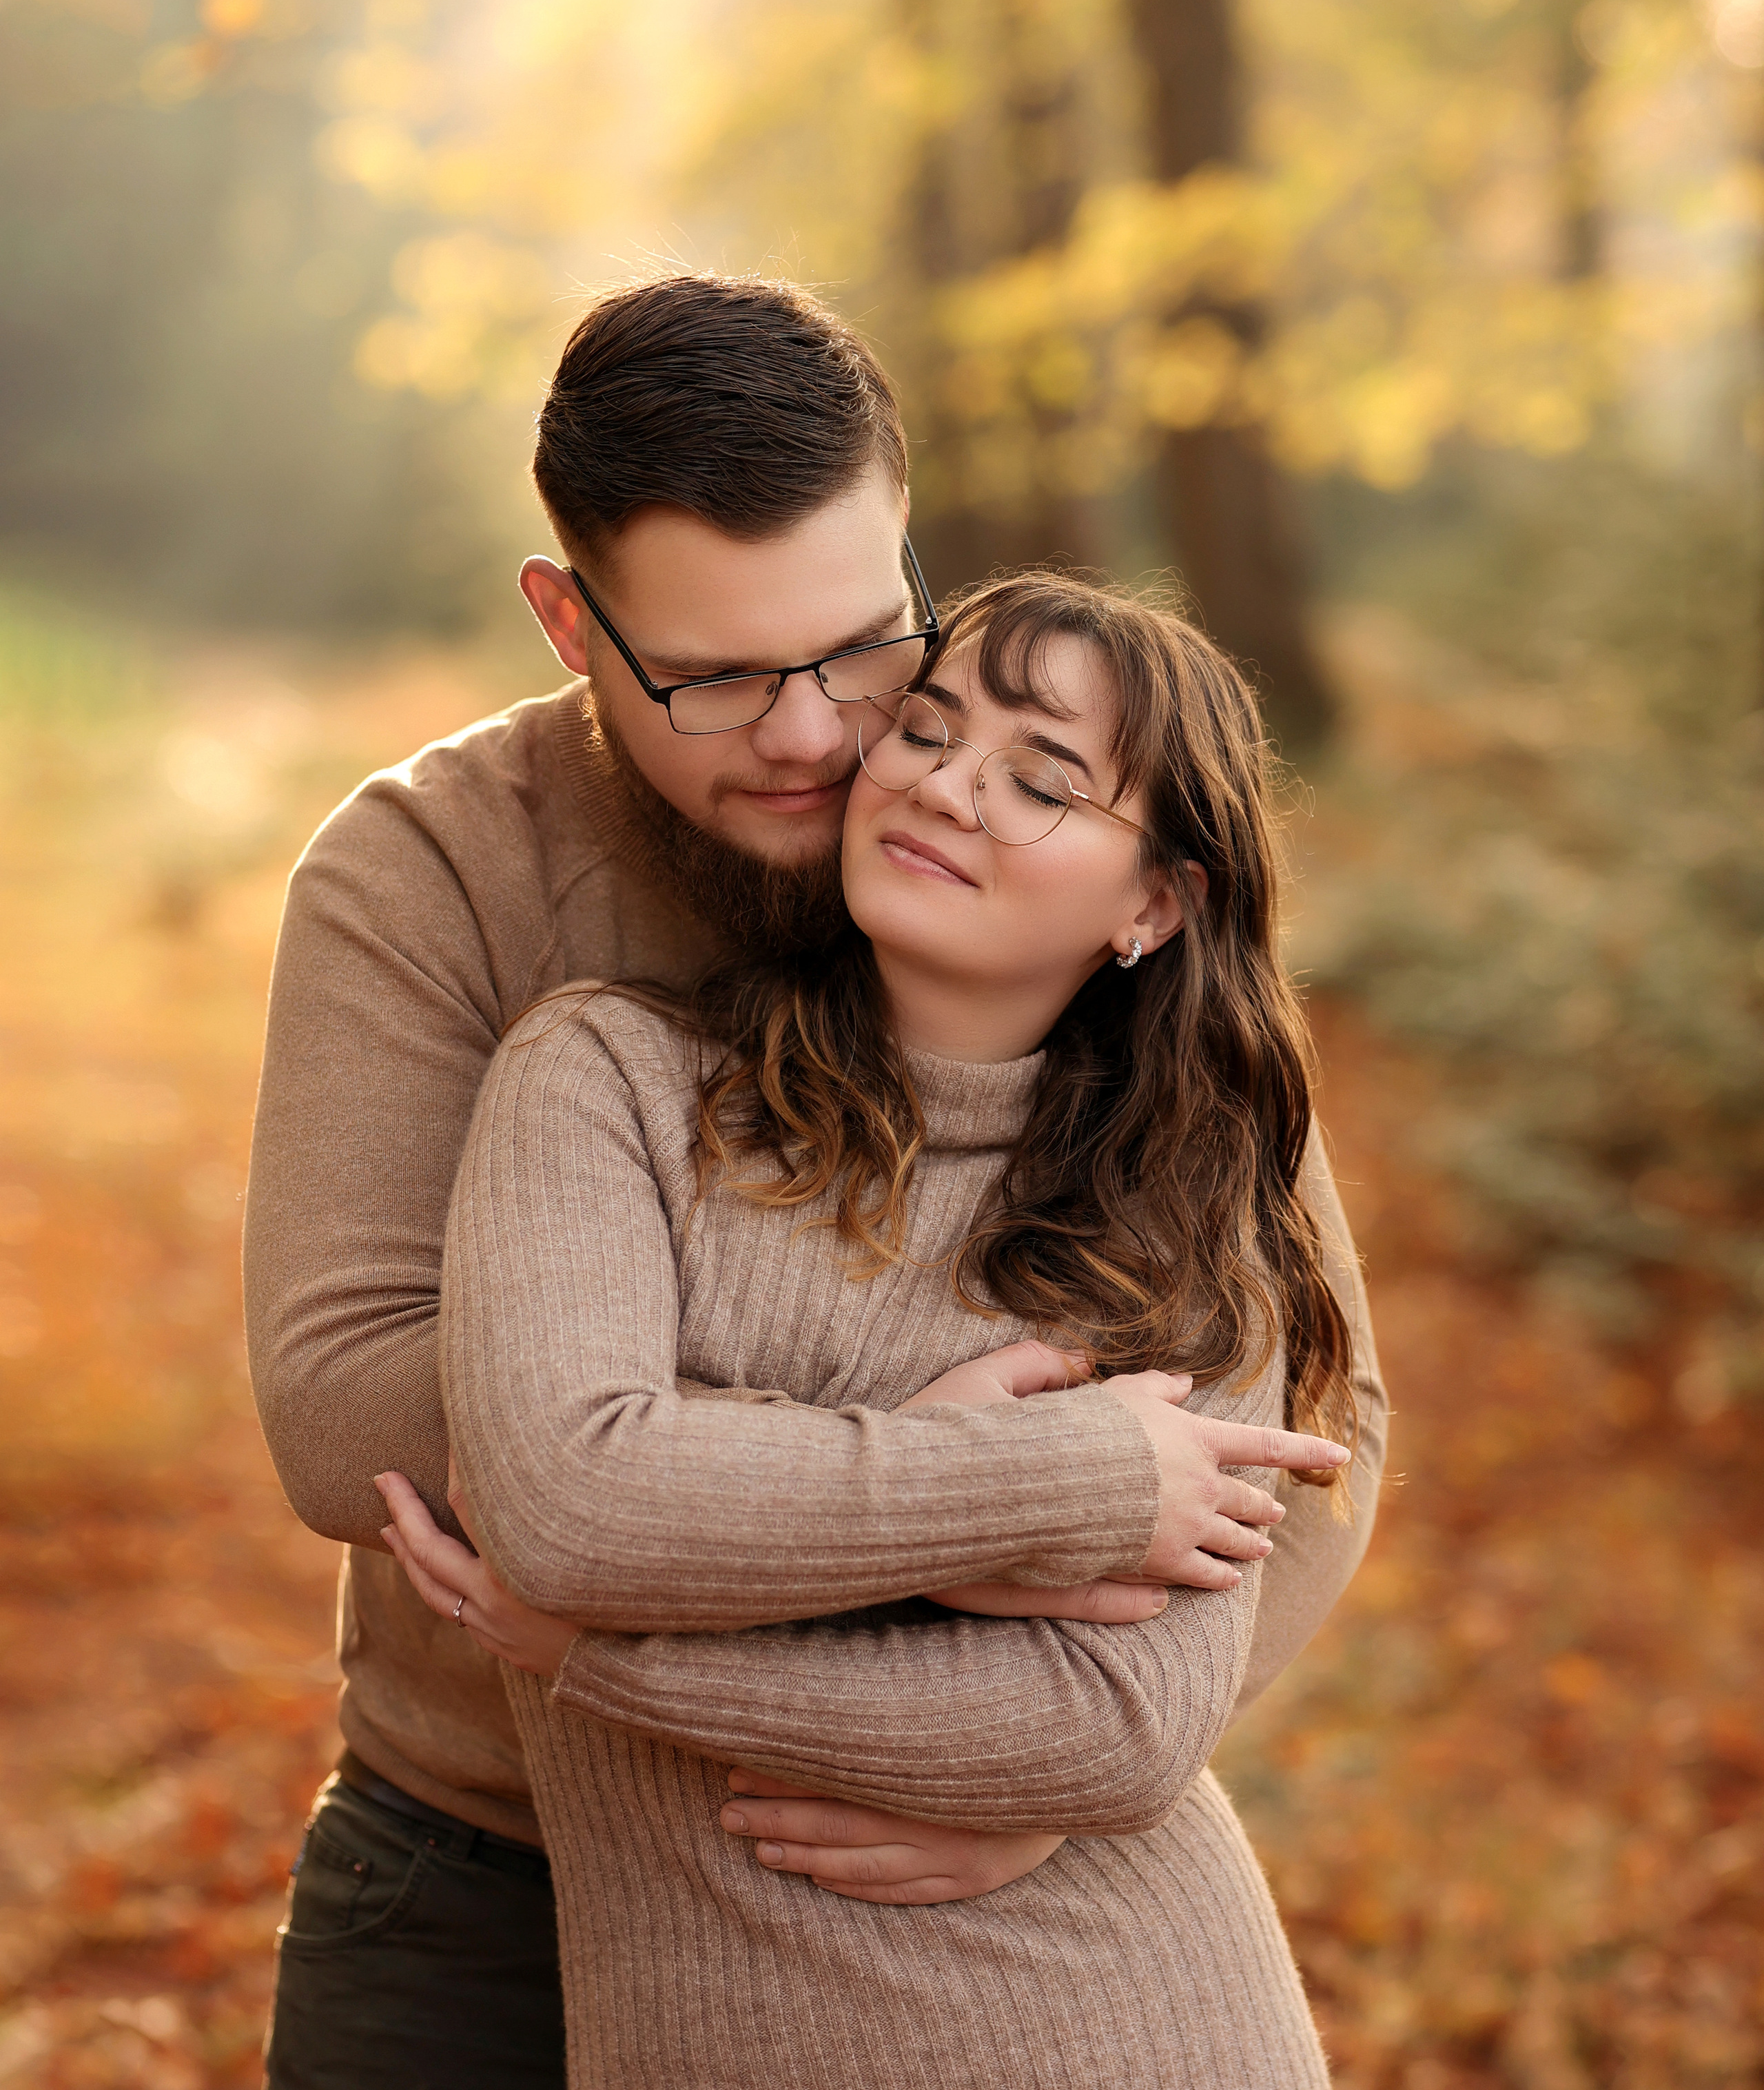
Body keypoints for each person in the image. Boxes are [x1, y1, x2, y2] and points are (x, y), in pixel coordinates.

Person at [244, 274, 1386, 2087]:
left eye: (865, 646)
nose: (813, 736)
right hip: (491, 1871)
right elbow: (346, 1413)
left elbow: (1311, 1423)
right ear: (568, 620)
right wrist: (987, 1497)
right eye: (713, 674)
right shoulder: (428, 876)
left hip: (983, 1890)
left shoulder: (1071, 895)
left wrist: (1034, 1758)